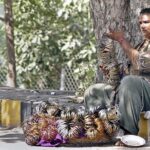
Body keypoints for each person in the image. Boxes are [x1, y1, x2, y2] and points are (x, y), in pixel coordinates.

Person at [84, 8, 150, 146]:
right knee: (95, 90)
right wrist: (112, 71)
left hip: (145, 93)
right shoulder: (141, 45)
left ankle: (129, 135)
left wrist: (121, 39)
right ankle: (99, 131)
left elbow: (140, 63)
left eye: (146, 22)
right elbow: (128, 71)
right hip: (132, 92)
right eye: (140, 23)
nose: (142, 26)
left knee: (130, 82)